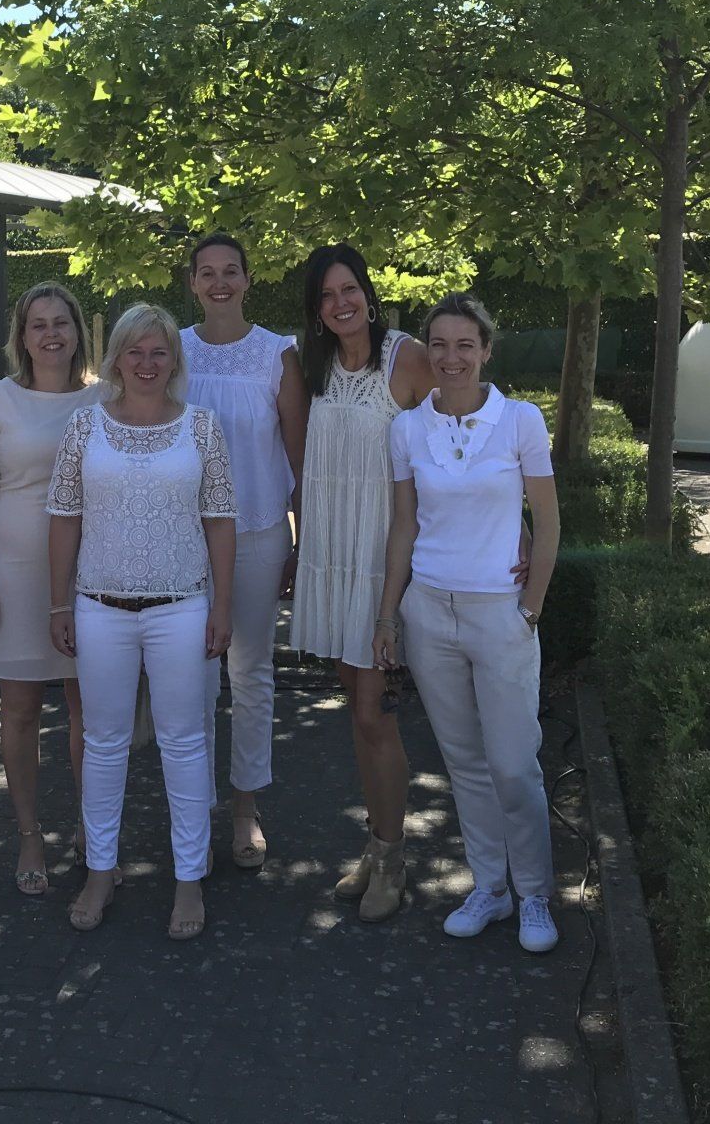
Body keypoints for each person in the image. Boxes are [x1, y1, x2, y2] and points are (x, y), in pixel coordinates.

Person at [374, 293, 561, 953]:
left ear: (485, 351)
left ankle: (535, 893)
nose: (450, 358)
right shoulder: (406, 430)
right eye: (439, 345)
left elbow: (547, 522)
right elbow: (404, 527)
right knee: (464, 763)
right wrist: (389, 612)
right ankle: (491, 886)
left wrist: (531, 606)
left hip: (500, 614)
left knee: (513, 765)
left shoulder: (521, 420)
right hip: (429, 612)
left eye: (464, 345)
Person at [48, 304, 237, 941]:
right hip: (100, 607)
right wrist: (57, 604)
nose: (147, 363)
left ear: (174, 360)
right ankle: (101, 870)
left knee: (185, 744)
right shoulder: (84, 426)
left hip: (182, 606)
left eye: (159, 352)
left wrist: (223, 605)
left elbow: (220, 520)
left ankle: (189, 877)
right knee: (103, 744)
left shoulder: (202, 427)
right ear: (117, 359)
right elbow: (64, 518)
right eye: (135, 351)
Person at [288, 243, 436, 923]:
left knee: (376, 712)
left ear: (368, 295)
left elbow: (463, 437)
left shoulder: (408, 358)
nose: (340, 303)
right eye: (326, 295)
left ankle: (393, 855)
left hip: (383, 562)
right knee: (358, 708)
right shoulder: (315, 367)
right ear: (316, 310)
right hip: (332, 554)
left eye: (349, 289)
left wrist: (515, 522)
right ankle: (377, 846)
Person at [0, 283, 99, 896]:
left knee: (88, 713)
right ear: (21, 336)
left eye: (60, 322)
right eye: (37, 324)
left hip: (90, 575)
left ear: (78, 331)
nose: (50, 334)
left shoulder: (105, 399)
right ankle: (28, 835)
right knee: (19, 711)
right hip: (12, 576)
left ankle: (94, 831)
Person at [179, 234, 306, 869]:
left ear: (249, 280)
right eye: (207, 273)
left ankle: (245, 809)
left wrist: (303, 541)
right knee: (193, 679)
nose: (220, 282)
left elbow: (299, 455)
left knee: (250, 673)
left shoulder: (278, 354)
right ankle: (194, 812)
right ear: (193, 283)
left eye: (231, 271)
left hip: (258, 533)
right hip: (183, 538)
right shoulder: (172, 348)